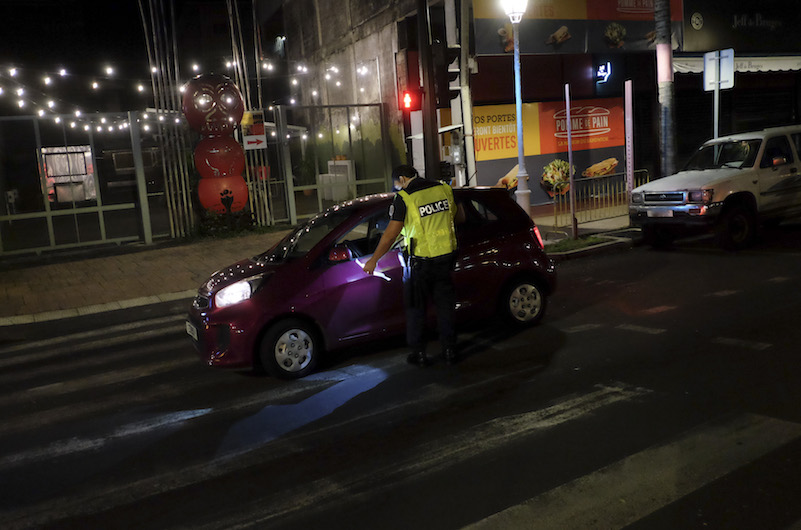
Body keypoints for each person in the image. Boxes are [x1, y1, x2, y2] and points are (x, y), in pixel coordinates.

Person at [362, 165, 459, 367]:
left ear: (403, 178)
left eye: (396, 183)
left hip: (420, 263)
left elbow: (390, 234)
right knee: (445, 307)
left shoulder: (405, 198)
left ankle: (419, 354)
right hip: (446, 258)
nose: (396, 187)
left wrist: (373, 260)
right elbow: (460, 217)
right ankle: (450, 350)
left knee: (416, 308)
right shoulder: (443, 189)